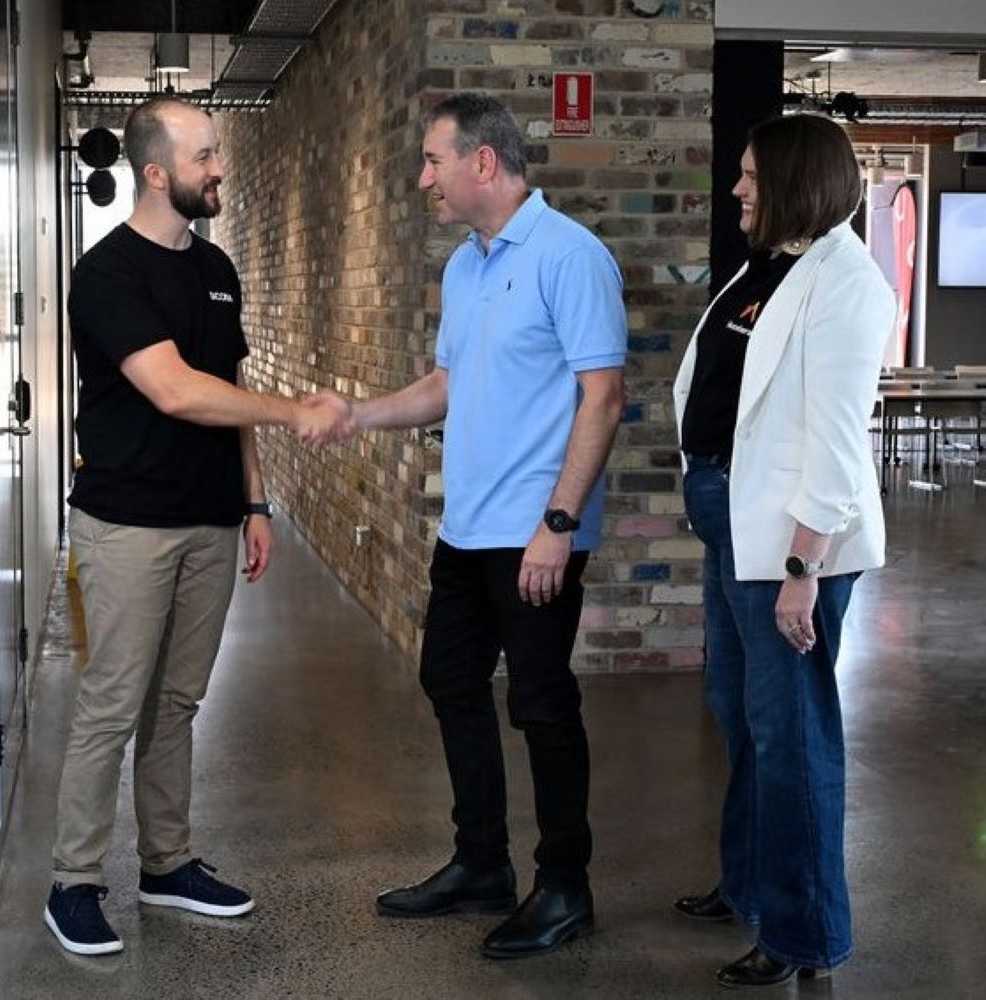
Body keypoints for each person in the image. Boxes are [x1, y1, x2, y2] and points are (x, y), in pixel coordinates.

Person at [322, 93, 626, 958]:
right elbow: (444, 386)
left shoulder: (572, 258)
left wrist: (560, 523)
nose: (424, 178)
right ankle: (481, 864)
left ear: (482, 162)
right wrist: (359, 414)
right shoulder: (466, 264)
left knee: (541, 705)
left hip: (536, 532)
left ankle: (566, 886)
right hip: (467, 529)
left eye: (433, 161)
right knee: (449, 682)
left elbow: (602, 398)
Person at [44, 96, 346, 956]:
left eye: (216, 152)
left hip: (212, 523)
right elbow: (176, 390)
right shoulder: (106, 274)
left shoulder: (217, 269)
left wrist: (254, 504)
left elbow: (226, 397)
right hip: (128, 525)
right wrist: (298, 412)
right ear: (154, 172)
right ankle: (74, 879)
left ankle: (167, 864)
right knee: (113, 704)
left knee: (177, 702)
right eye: (205, 156)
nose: (219, 168)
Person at [671, 113, 895, 988]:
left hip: (792, 543)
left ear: (797, 180)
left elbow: (838, 443)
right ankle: (748, 885)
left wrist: (803, 567)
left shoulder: (848, 283)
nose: (738, 189)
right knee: (739, 711)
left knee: (792, 734)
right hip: (733, 518)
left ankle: (805, 936)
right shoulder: (769, 264)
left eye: (753, 175)